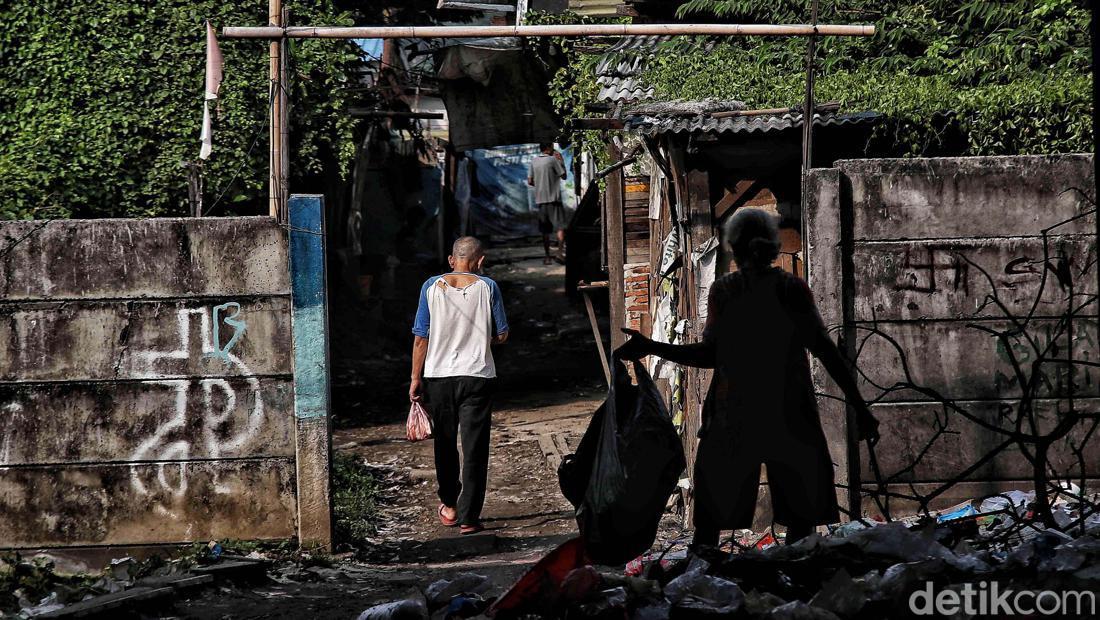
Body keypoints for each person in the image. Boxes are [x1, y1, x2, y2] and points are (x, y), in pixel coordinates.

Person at [617, 209, 879, 547]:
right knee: (802, 522)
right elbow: (826, 351)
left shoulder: (725, 292)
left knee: (710, 522)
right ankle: (798, 584)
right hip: (789, 412)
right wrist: (860, 407)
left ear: (734, 249)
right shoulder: (791, 289)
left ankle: (702, 586)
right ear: (772, 247)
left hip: (733, 413)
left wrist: (651, 346)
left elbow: (709, 354)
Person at [410, 237, 509, 535]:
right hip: (478, 376)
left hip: (439, 376)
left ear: (452, 260)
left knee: (445, 442)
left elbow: (420, 337)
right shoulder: (488, 287)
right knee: (475, 446)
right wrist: (481, 340)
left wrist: (415, 378)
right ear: (480, 261)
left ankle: (450, 506)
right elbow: (502, 334)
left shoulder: (431, 286)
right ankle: (469, 517)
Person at [528, 142, 568, 264]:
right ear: (549, 148)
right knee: (560, 227)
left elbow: (530, 181)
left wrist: (540, 185)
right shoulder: (553, 160)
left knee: (545, 230)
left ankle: (547, 257)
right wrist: (561, 161)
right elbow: (564, 176)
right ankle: (559, 253)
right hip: (554, 200)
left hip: (541, 200)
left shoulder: (534, 161)